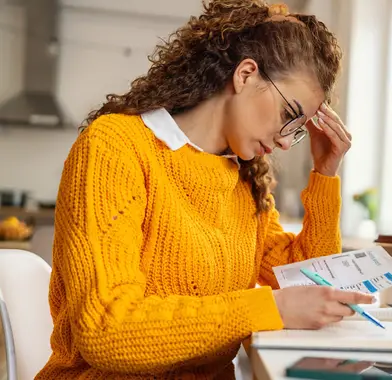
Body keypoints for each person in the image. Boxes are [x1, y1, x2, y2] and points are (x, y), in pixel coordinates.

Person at [36, 1, 374, 378]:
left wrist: (325, 174)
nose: (284, 141)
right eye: (288, 115)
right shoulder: (116, 147)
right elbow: (106, 330)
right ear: (245, 74)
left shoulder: (244, 179)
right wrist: (270, 308)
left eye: (297, 130)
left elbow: (312, 281)